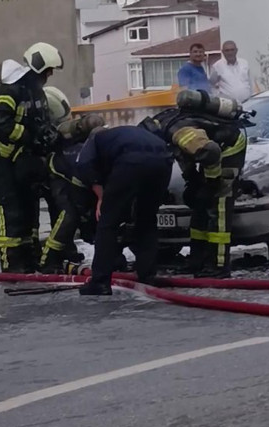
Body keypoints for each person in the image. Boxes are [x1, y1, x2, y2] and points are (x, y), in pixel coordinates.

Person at [145, 90, 250, 276]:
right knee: (200, 205)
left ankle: (219, 265)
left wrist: (211, 183)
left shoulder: (178, 132)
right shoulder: (165, 130)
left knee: (218, 205)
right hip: (209, 153)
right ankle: (197, 260)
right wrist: (192, 180)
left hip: (229, 148)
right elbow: (184, 155)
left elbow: (211, 151)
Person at [0, 41, 61, 273]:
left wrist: (45, 136)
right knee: (11, 214)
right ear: (38, 67)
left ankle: (30, 260)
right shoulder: (10, 89)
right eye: (48, 70)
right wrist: (29, 137)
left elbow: (40, 120)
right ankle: (13, 265)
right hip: (1, 165)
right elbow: (1, 124)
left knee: (29, 211)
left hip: (22, 162)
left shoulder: (35, 92)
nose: (50, 75)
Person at [75, 124, 174, 295]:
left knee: (108, 223)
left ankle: (100, 282)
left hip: (130, 161)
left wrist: (101, 198)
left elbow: (85, 166)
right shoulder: (125, 134)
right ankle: (148, 276)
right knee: (147, 220)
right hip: (163, 161)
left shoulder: (94, 140)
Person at [38, 99, 106, 273]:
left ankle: (70, 253)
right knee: (68, 217)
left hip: (76, 177)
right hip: (60, 175)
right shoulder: (78, 148)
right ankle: (49, 260)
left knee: (89, 217)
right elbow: (85, 178)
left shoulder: (94, 146)